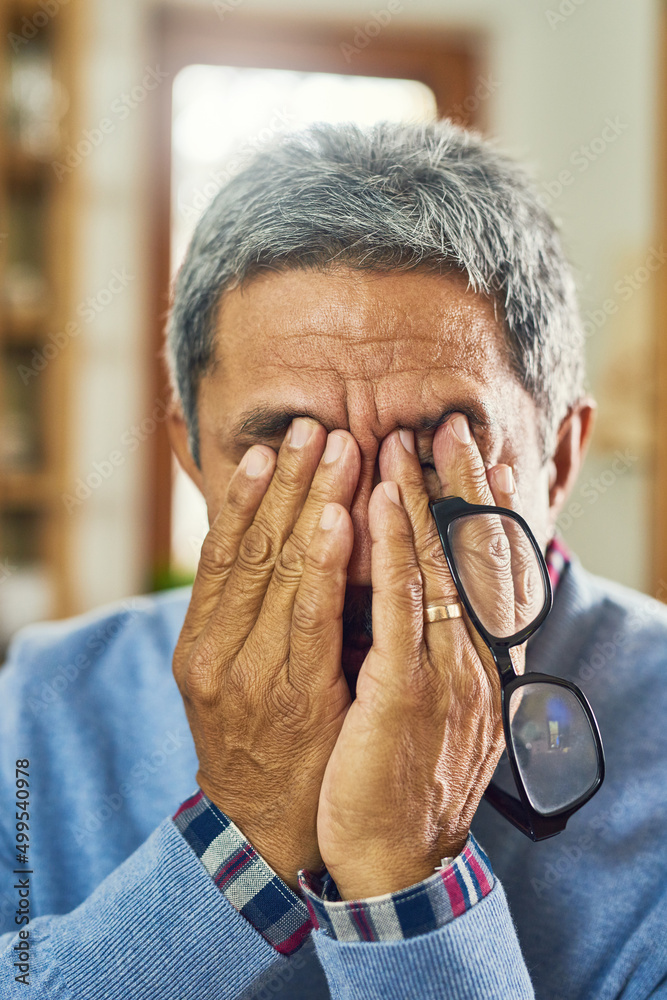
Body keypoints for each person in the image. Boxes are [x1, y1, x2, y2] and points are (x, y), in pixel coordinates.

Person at [1, 120, 666, 1000]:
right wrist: (239, 837)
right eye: (288, 456)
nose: (353, 542)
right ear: (191, 455)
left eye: (434, 456)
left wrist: (410, 876)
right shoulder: (41, 705)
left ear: (559, 458)